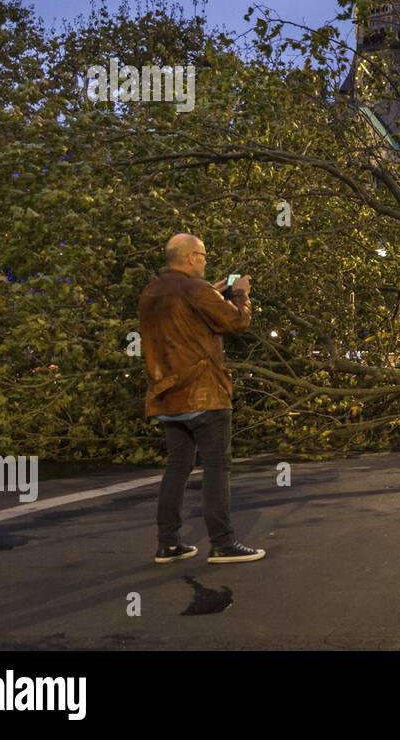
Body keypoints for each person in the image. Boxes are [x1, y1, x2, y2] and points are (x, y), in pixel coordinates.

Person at [139, 233, 266, 565]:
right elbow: (237, 322)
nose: (206, 261)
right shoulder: (196, 290)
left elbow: (184, 319)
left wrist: (212, 290)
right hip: (203, 394)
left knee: (177, 468)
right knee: (216, 467)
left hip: (167, 395)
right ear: (192, 257)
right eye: (204, 256)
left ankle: (168, 543)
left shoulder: (151, 292)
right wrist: (240, 294)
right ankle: (222, 543)